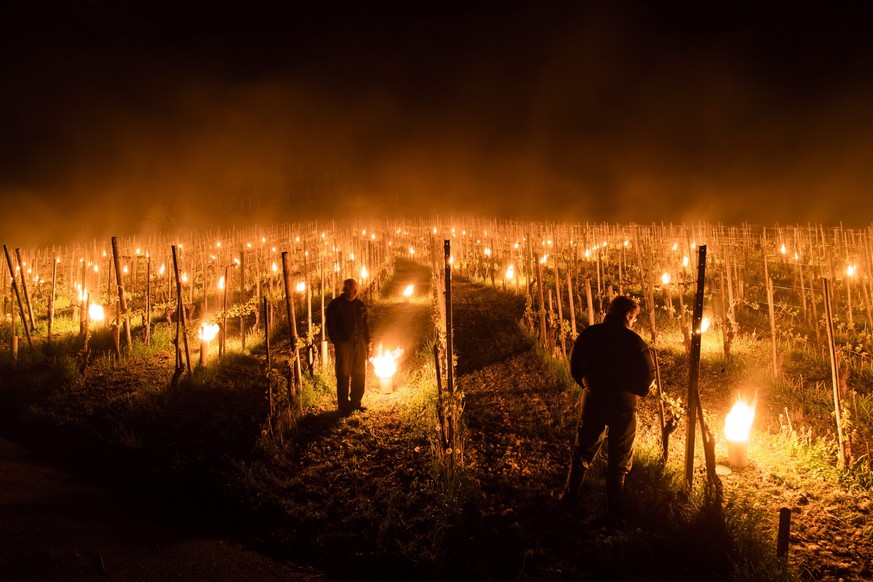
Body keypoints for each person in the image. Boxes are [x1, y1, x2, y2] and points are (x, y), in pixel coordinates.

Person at [560, 295, 655, 517]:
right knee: (619, 458)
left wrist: (588, 385)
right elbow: (648, 376)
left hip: (594, 399)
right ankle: (614, 511)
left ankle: (569, 499)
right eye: (634, 319)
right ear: (629, 316)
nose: (634, 323)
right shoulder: (635, 342)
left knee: (582, 451)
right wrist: (636, 392)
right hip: (623, 404)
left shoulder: (589, 335)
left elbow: (574, 365)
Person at [326, 278, 372, 416]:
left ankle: (356, 402)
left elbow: (366, 324)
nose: (356, 292)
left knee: (359, 374)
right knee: (343, 374)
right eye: (353, 289)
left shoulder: (360, 305)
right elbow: (331, 325)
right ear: (345, 289)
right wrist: (338, 342)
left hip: (360, 344)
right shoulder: (336, 305)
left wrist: (368, 341)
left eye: (357, 289)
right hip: (344, 345)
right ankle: (344, 405)